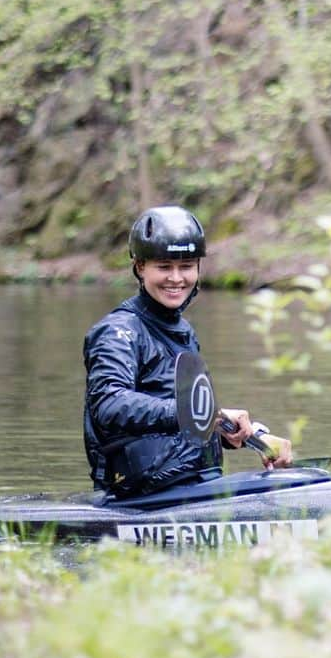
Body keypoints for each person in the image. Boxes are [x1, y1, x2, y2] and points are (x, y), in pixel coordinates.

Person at [83, 205, 293, 497]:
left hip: (194, 484)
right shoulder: (118, 331)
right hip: (143, 495)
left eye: (186, 266)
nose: (176, 278)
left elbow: (181, 421)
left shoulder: (184, 332)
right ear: (140, 267)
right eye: (164, 267)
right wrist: (204, 415)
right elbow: (110, 405)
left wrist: (248, 436)